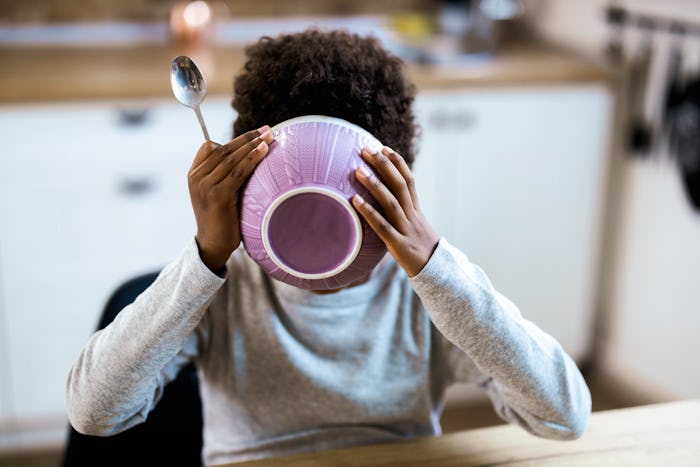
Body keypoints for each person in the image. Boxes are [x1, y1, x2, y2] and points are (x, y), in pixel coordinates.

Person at [66, 29, 591, 466]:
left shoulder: (431, 295)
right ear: (248, 175)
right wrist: (204, 258)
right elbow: (94, 411)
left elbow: (565, 414)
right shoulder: (221, 290)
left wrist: (436, 269)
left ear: (396, 180)